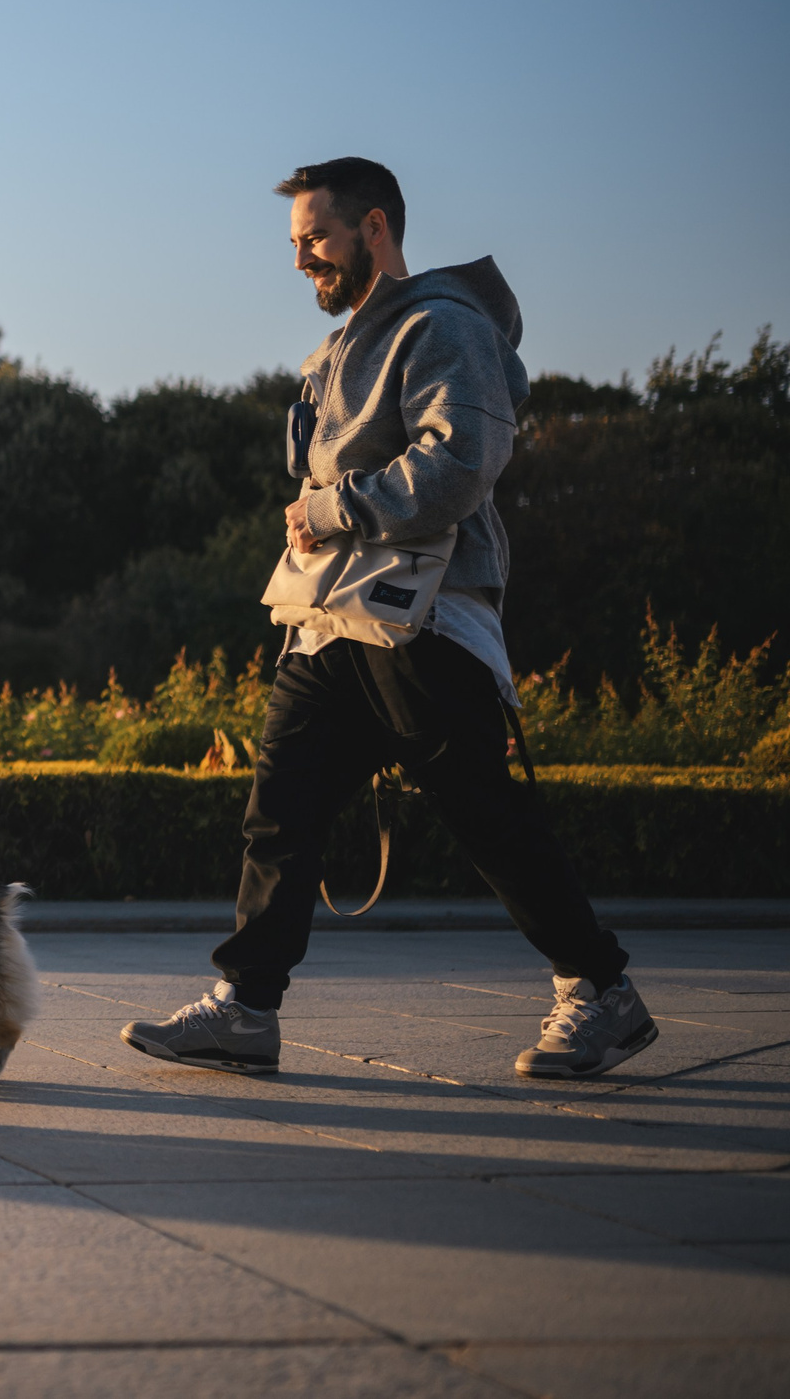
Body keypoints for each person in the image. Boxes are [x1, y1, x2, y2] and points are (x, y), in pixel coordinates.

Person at [121, 157, 655, 1080]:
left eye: (316, 239)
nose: (302, 261)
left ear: (376, 228)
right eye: (294, 246)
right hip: (334, 621)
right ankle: (247, 1010)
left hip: (426, 616)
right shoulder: (334, 355)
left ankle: (600, 990)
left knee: (482, 810)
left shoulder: (444, 326)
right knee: (279, 808)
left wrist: (331, 510)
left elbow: (460, 463)